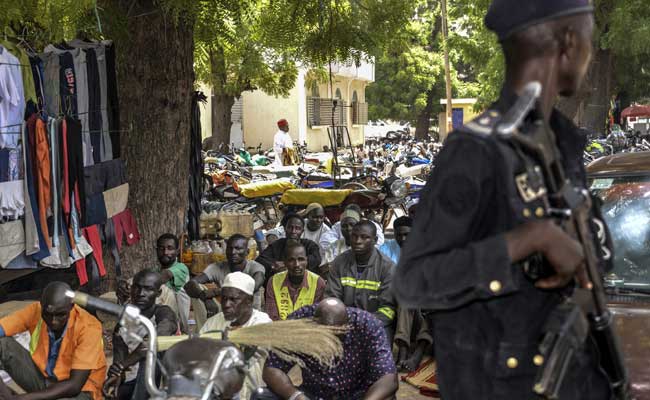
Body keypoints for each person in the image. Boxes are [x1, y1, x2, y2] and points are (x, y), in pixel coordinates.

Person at [393, 1, 613, 398]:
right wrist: (528, 241)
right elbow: (415, 280)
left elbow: (590, 252)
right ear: (567, 42)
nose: (590, 53)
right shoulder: (475, 151)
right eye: (589, 39)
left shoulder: (560, 144)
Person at [255, 298, 398, 400]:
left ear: (346, 326)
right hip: (313, 394)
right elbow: (272, 369)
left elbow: (388, 379)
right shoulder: (299, 322)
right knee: (262, 396)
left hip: (357, 394)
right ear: (314, 325)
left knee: (387, 397)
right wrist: (297, 396)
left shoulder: (368, 325)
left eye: (337, 336)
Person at [0, 282, 106, 400]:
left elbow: (75, 386)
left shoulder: (89, 328)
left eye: (60, 315)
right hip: (45, 380)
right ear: (41, 305)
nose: (53, 321)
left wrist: (22, 398)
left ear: (72, 307)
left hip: (79, 392)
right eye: (47, 314)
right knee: (3, 345)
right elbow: (4, 327)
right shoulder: (36, 310)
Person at [105, 270, 178, 400]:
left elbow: (151, 342)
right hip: (136, 381)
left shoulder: (164, 313)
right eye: (137, 288)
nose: (141, 294)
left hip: (163, 382)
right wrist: (116, 374)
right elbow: (119, 360)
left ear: (158, 293)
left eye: (148, 289)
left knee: (151, 355)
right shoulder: (123, 324)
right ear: (131, 289)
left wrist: (123, 365)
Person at [200, 272, 272, 400]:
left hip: (252, 393)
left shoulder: (262, 323)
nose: (226, 304)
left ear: (249, 301)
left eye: (233, 299)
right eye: (224, 298)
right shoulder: (213, 323)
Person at [326, 221, 396, 338]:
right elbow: (332, 298)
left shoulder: (387, 267)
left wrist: (365, 323)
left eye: (364, 237)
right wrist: (343, 322)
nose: (358, 241)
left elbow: (388, 309)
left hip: (377, 325)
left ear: (375, 239)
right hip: (343, 324)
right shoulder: (339, 262)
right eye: (354, 236)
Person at [185, 234, 266, 329]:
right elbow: (189, 284)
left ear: (247, 252)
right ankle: (204, 331)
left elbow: (254, 286)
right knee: (197, 288)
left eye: (238, 248)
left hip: (246, 314)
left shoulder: (255, 267)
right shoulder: (217, 267)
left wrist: (216, 292)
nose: (233, 252)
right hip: (225, 311)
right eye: (230, 248)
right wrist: (205, 297)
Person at [265, 243, 326, 321]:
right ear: (285, 262)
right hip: (279, 329)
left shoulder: (318, 282)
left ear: (306, 261)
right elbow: (272, 316)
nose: (297, 264)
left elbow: (316, 317)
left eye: (301, 259)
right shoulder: (274, 281)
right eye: (291, 260)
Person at [256, 213, 322, 280]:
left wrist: (287, 264)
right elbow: (261, 259)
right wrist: (274, 265)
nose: (293, 231)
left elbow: (316, 259)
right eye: (290, 227)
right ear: (285, 229)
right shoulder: (277, 244)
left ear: (302, 231)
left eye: (297, 228)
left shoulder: (309, 245)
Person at [153, 233, 191, 333]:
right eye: (161, 249)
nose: (165, 252)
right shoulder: (155, 271)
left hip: (177, 322)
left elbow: (164, 276)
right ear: (156, 251)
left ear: (177, 251)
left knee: (162, 290)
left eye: (170, 248)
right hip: (159, 319)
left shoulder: (181, 268)